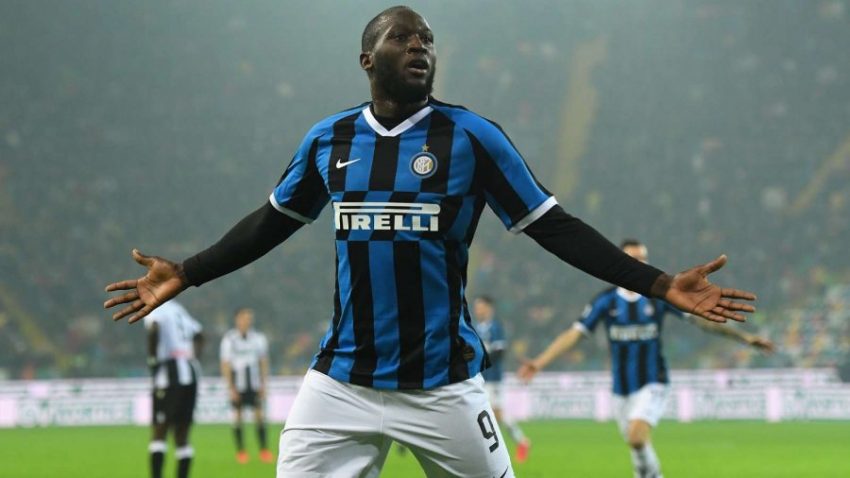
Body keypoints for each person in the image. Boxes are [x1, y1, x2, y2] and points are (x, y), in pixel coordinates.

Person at [104, 6, 758, 477]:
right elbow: (271, 221)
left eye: (428, 39)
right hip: (342, 382)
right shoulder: (330, 139)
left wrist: (658, 283)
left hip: (443, 385)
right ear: (367, 59)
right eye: (402, 36)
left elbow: (554, 226)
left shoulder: (472, 137)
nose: (420, 44)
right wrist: (187, 271)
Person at [518, 239, 774, 478]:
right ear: (620, 261)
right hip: (621, 389)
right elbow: (574, 334)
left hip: (653, 380)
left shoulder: (660, 296)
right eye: (634, 258)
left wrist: (745, 338)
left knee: (637, 437)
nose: (640, 263)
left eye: (643, 258)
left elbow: (702, 321)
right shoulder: (606, 301)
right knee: (636, 446)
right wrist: (539, 362)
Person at [144, 300, 203, 478]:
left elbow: (154, 328)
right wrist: (192, 356)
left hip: (170, 373)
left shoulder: (155, 307)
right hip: (191, 372)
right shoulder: (178, 308)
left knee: (159, 431)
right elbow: (199, 333)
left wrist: (153, 360)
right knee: (182, 434)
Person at [472, 295, 531, 463]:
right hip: (479, 377)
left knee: (494, 414)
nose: (477, 310)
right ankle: (518, 442)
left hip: (493, 378)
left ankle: (520, 442)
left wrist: (481, 359)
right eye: (476, 307)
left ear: (489, 308)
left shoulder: (495, 327)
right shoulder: (475, 327)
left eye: (480, 307)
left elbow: (499, 352)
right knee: (491, 413)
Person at [219, 307, 273, 464]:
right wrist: (230, 387)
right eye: (244, 317)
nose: (247, 321)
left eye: (249, 318)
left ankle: (264, 450)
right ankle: (241, 451)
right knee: (237, 417)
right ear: (237, 319)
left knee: (260, 417)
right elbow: (225, 364)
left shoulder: (258, 338)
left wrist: (264, 384)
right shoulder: (229, 339)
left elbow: (263, 361)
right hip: (238, 385)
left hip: (254, 384)